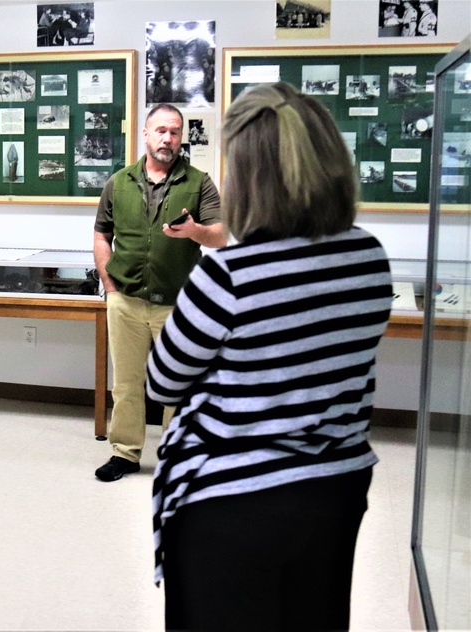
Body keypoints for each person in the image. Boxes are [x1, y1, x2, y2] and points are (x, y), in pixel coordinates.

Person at [146, 82, 393, 630]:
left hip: (235, 499)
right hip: (337, 483)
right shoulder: (368, 257)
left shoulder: (230, 273)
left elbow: (162, 382)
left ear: (250, 176)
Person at [92, 104, 226, 482]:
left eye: (175, 131)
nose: (168, 138)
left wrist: (195, 232)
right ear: (146, 134)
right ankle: (125, 453)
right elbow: (102, 234)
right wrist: (109, 284)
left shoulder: (199, 181)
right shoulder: (118, 182)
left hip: (178, 303)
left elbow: (220, 235)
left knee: (180, 383)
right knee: (128, 383)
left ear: (181, 137)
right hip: (126, 300)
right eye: (161, 130)